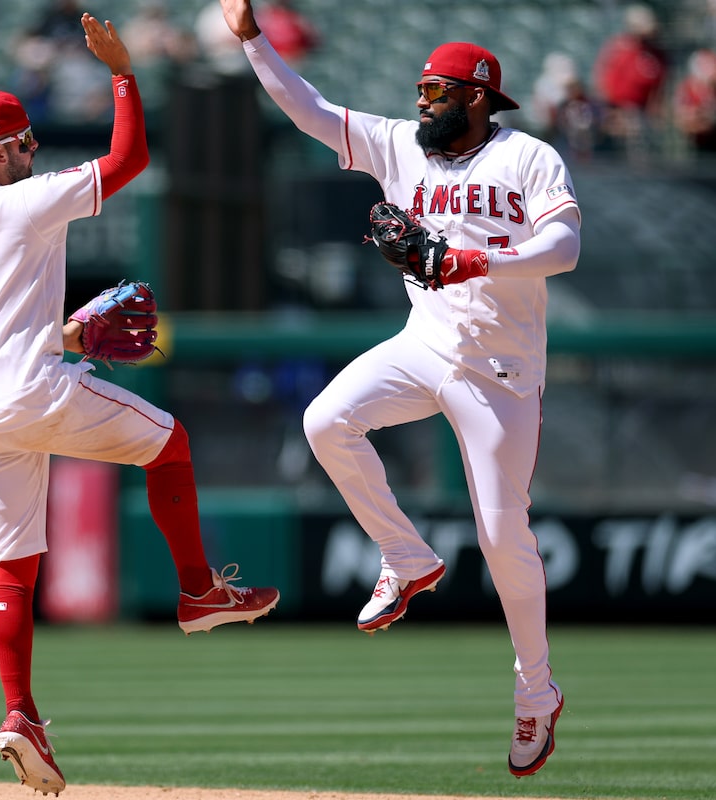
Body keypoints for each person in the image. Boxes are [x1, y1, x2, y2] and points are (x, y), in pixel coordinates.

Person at [0, 13, 280, 795]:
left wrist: (72, 331)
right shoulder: (27, 202)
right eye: (18, 141)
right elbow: (130, 159)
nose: (29, 149)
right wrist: (122, 72)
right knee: (172, 440)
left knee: (12, 573)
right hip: (32, 391)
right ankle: (197, 590)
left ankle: (21, 715)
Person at [220, 0, 580, 779]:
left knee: (500, 533)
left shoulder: (527, 157)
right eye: (419, 91)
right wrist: (252, 38)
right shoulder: (395, 147)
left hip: (502, 375)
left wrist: (475, 260)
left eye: (437, 92)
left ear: (478, 96)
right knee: (325, 421)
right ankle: (405, 554)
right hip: (424, 345)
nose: (421, 103)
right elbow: (306, 109)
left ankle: (535, 690)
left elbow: (564, 245)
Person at [592, 3, 670, 159]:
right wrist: (611, 111)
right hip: (615, 110)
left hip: (641, 113)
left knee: (639, 154)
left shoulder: (656, 55)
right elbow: (602, 80)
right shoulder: (618, 48)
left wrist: (654, 114)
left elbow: (658, 89)